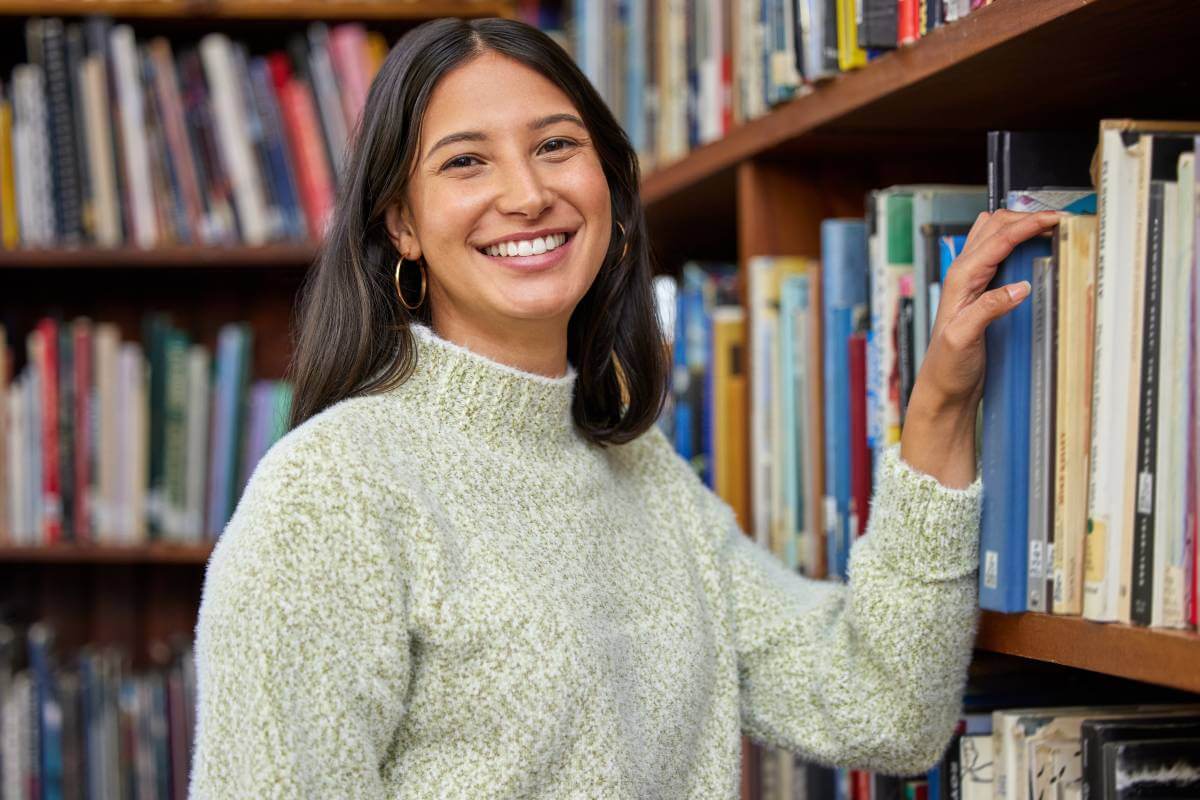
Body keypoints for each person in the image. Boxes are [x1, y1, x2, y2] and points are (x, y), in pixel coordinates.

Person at [187, 16, 1060, 800]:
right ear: (401, 225)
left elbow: (885, 709)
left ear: (609, 181)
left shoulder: (639, 474)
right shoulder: (330, 491)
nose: (527, 194)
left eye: (556, 146)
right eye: (465, 161)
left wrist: (941, 402)